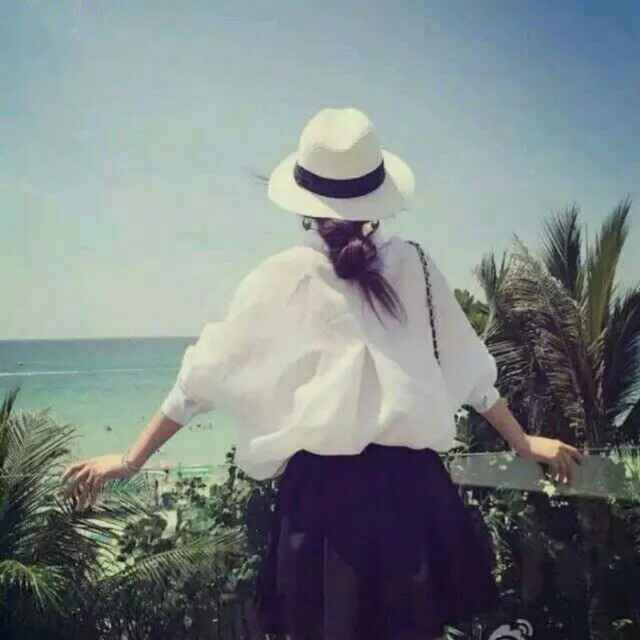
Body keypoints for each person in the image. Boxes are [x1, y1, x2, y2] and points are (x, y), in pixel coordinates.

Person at [62, 107, 584, 640]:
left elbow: (198, 383)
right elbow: (472, 376)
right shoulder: (418, 266)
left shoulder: (279, 277)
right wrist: (523, 443)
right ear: (377, 198)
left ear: (304, 205)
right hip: (412, 497)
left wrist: (130, 460)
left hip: (322, 507)